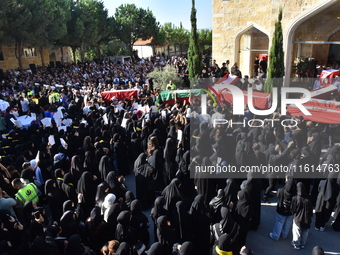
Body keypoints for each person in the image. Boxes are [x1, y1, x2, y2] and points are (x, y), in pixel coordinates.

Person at [291, 182, 313, 250]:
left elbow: (293, 209)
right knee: (305, 232)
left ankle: (296, 244)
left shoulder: (295, 198)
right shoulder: (308, 198)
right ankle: (302, 244)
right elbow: (310, 209)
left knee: (296, 232)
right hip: (307, 219)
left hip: (298, 219)